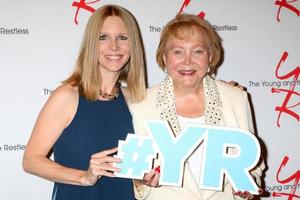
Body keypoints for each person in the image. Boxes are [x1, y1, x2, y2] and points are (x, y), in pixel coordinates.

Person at [129, 14, 265, 200]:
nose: (187, 61)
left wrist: (248, 187)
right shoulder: (141, 104)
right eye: (178, 51)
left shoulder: (236, 98)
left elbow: (254, 165)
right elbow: (135, 173)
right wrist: (140, 181)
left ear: (210, 56)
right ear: (164, 57)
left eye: (197, 51)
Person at [22, 5, 146, 200]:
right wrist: (84, 177)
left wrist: (145, 178)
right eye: (103, 37)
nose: (114, 47)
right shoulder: (68, 96)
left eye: (123, 37)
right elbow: (31, 161)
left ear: (133, 45)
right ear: (91, 43)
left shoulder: (135, 100)